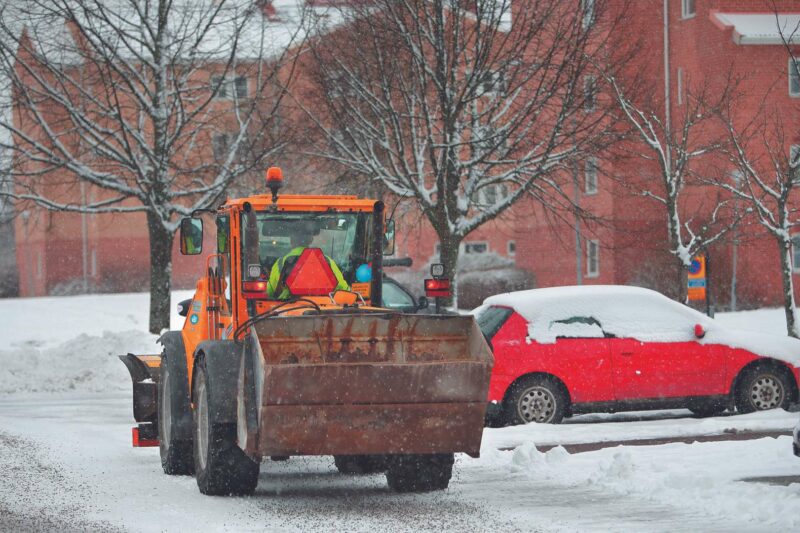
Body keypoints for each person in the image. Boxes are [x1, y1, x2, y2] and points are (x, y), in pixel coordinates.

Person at [267, 231, 349, 299]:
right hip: (321, 310)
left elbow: (270, 292)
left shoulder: (281, 263)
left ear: (291, 241)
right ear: (311, 240)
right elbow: (343, 289)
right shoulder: (326, 261)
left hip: (288, 308)